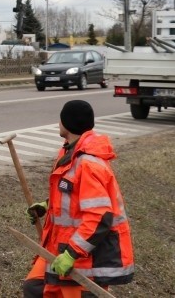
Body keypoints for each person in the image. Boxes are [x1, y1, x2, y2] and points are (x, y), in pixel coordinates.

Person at [23, 100, 134, 297]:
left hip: (84, 258)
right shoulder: (69, 152)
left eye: (61, 118)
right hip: (61, 248)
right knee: (34, 288)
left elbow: (100, 216)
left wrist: (72, 253)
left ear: (68, 122)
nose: (58, 122)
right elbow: (73, 199)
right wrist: (46, 207)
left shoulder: (88, 164)